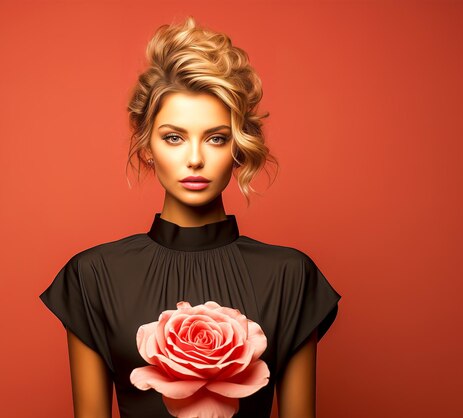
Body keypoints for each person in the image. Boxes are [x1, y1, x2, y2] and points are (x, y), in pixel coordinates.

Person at [39, 16, 341, 418]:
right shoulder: (93, 275)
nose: (195, 158)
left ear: (238, 148)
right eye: (174, 137)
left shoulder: (290, 276)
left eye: (216, 138)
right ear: (147, 147)